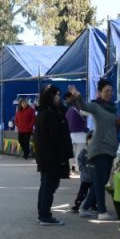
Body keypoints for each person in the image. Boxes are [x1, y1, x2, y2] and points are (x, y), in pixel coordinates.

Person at [66, 81, 120, 221]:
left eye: (111, 90)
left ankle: (85, 208)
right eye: (106, 91)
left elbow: (112, 130)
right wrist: (77, 95)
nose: (109, 93)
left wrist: (118, 125)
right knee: (99, 180)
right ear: (99, 93)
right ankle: (102, 211)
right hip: (99, 147)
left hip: (110, 148)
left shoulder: (112, 108)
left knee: (102, 180)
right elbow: (84, 106)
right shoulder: (96, 106)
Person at [34, 85, 72, 226]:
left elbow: (65, 111)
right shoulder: (49, 114)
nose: (59, 98)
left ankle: (42, 213)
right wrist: (62, 158)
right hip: (51, 157)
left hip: (47, 156)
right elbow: (57, 138)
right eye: (57, 95)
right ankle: (45, 216)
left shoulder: (46, 111)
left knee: (46, 185)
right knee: (49, 186)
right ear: (51, 96)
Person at [71, 131, 99, 218]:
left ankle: (93, 205)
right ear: (87, 140)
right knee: (82, 193)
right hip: (85, 178)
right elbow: (80, 161)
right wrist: (82, 169)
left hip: (94, 177)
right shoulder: (83, 151)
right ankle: (77, 205)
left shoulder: (97, 152)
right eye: (90, 139)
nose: (91, 141)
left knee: (94, 193)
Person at [65, 100, 89, 174]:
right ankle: (78, 168)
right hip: (81, 134)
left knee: (72, 152)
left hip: (71, 133)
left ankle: (69, 168)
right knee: (80, 151)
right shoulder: (80, 110)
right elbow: (90, 114)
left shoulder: (69, 111)